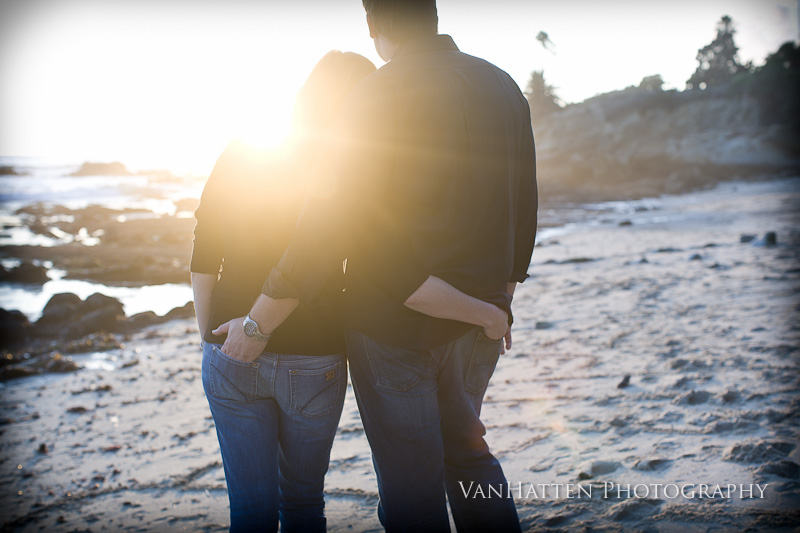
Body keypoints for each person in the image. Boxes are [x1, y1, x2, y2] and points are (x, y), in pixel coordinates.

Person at [214, 1, 538, 530]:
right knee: (469, 454)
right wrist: (497, 304)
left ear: (372, 25)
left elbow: (327, 224)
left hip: (392, 331)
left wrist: (259, 323)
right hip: (480, 323)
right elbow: (523, 210)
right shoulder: (503, 86)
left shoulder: (377, 93)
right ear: (432, 14)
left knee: (412, 487)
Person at [190, 51, 377, 533]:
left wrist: (209, 337)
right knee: (301, 505)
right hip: (314, 357)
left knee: (249, 513)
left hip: (230, 346)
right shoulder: (352, 169)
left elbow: (205, 252)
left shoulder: (243, 150)